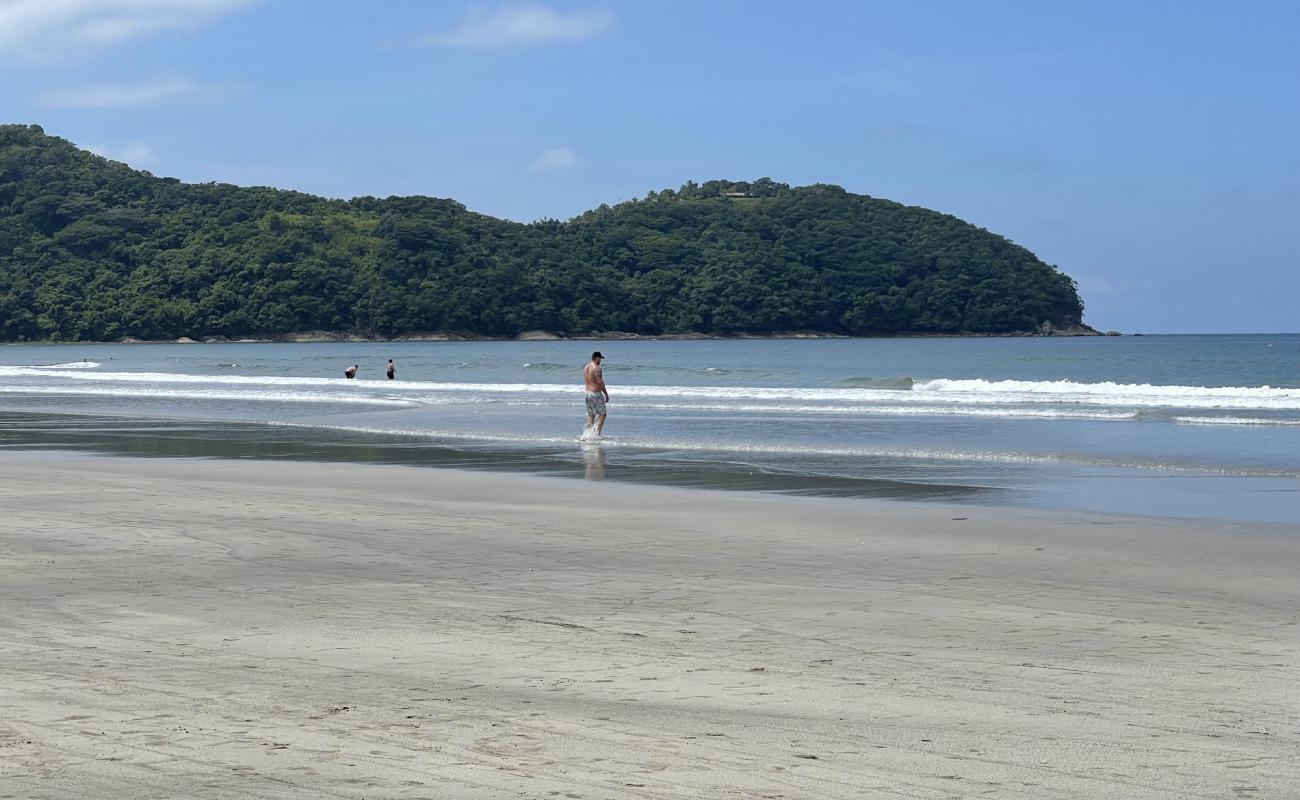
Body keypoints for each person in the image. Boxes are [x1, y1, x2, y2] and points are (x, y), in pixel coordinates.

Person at [583, 351, 609, 438]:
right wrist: (606, 393)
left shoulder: (586, 367)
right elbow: (600, 382)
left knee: (591, 415)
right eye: (600, 358)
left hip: (587, 393)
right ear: (596, 358)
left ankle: (587, 435)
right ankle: (595, 434)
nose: (600, 360)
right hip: (595, 393)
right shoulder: (596, 368)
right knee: (603, 414)